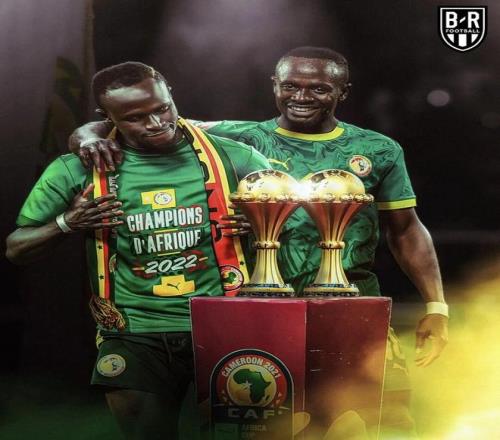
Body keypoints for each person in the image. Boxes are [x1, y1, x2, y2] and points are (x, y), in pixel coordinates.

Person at [69, 47, 449, 437]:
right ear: (275, 86)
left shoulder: (378, 149)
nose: (301, 97)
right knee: (277, 429)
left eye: (318, 88)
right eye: (291, 86)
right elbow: (137, 119)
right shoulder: (234, 137)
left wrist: (436, 305)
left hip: (354, 304)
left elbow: (405, 229)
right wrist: (86, 137)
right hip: (263, 313)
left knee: (387, 419)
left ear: (342, 91)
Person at [6, 62, 271, 439]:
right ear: (106, 116)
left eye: (162, 108)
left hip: (225, 323)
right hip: (134, 332)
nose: (156, 123)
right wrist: (67, 222)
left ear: (170, 94)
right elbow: (17, 248)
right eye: (135, 118)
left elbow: (295, 226)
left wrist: (262, 223)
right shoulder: (78, 169)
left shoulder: (235, 157)